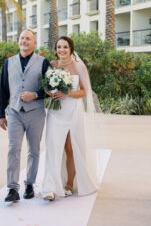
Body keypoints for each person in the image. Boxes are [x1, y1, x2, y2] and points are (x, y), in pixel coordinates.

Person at [41, 36, 98, 201]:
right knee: (53, 147)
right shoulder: (52, 65)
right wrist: (50, 92)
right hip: (55, 112)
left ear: (71, 49)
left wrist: (67, 93)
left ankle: (69, 184)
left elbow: (85, 91)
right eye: (59, 47)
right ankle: (50, 187)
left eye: (65, 47)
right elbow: (45, 86)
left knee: (70, 148)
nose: (62, 50)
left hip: (73, 111)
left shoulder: (79, 66)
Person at [0, 29, 50, 202]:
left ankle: (29, 184)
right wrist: (1, 114)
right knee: (13, 149)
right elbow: (3, 90)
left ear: (34, 43)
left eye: (28, 39)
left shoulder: (43, 62)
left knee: (34, 150)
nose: (24, 41)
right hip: (13, 112)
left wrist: (35, 94)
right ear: (18, 41)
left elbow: (51, 88)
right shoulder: (8, 62)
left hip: (35, 113)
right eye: (22, 38)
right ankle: (12, 189)